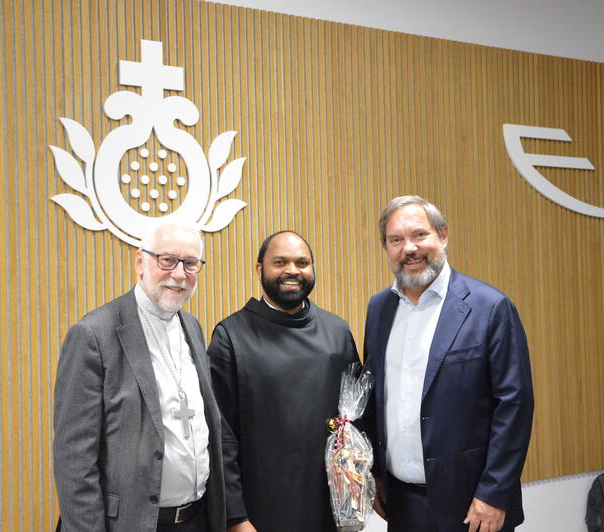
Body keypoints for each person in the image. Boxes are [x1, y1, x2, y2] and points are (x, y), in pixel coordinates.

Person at [362, 196, 534, 532]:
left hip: (473, 505)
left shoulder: (490, 308)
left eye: (419, 235)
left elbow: (514, 406)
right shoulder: (379, 308)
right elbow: (375, 396)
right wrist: (377, 475)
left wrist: (494, 494)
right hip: (401, 504)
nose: (408, 248)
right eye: (395, 240)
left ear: (443, 235)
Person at [53, 222, 225, 532]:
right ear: (139, 263)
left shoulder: (193, 327)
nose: (179, 274)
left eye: (190, 263)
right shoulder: (94, 334)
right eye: (167, 260)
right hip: (131, 524)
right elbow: (73, 459)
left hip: (197, 520)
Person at [208, 230, 358, 532]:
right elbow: (219, 437)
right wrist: (235, 517)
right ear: (260, 269)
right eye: (280, 262)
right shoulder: (231, 337)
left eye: (303, 262)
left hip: (331, 509)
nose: (293, 270)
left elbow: (358, 424)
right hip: (261, 510)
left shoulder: (338, 332)